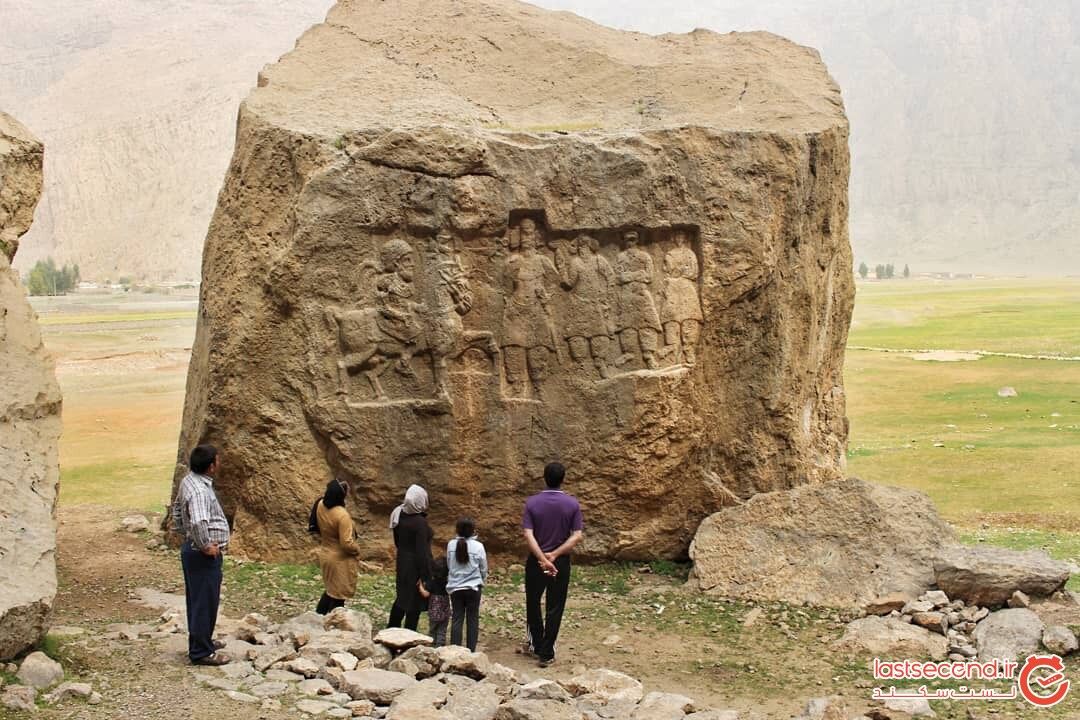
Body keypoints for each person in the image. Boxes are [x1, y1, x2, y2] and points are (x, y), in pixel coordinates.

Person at [171, 444, 231, 665]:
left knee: (199, 600)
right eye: (217, 459)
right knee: (204, 601)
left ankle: (202, 641)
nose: (219, 463)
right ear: (211, 466)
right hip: (202, 554)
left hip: (193, 549)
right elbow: (198, 521)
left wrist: (183, 532)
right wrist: (205, 545)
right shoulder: (198, 490)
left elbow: (177, 508)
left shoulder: (189, 481)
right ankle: (201, 652)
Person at [522, 462, 584, 667]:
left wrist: (542, 558)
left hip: (536, 562)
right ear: (563, 479)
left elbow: (528, 534)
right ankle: (547, 652)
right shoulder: (572, 504)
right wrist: (555, 555)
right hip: (561, 562)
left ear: (544, 477)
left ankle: (537, 644)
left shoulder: (532, 503)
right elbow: (577, 536)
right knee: (555, 606)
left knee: (533, 602)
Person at [309, 478, 361, 614]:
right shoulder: (342, 516)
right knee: (338, 598)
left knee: (330, 592)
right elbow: (346, 543)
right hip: (339, 561)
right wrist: (357, 549)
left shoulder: (320, 504)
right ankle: (333, 628)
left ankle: (318, 618)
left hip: (325, 553)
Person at [387, 484, 433, 630]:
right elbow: (422, 552)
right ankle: (409, 634)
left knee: (402, 597)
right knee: (414, 603)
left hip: (402, 561)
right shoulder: (419, 523)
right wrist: (425, 575)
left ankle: (392, 628)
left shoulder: (399, 513)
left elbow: (397, 541)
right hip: (414, 566)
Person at [446, 517, 488, 651]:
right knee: (472, 619)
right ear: (473, 531)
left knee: (457, 618)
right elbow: (483, 568)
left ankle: (455, 650)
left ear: (457, 530)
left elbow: (449, 564)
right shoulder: (478, 546)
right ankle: (471, 650)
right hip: (474, 588)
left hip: (455, 587)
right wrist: (482, 579)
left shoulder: (451, 545)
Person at [417, 556, 450, 647]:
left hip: (434, 613)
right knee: (442, 631)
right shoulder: (447, 583)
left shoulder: (432, 582)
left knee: (432, 630)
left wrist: (420, 586)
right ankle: (440, 646)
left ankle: (431, 645)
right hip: (445, 612)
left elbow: (426, 594)